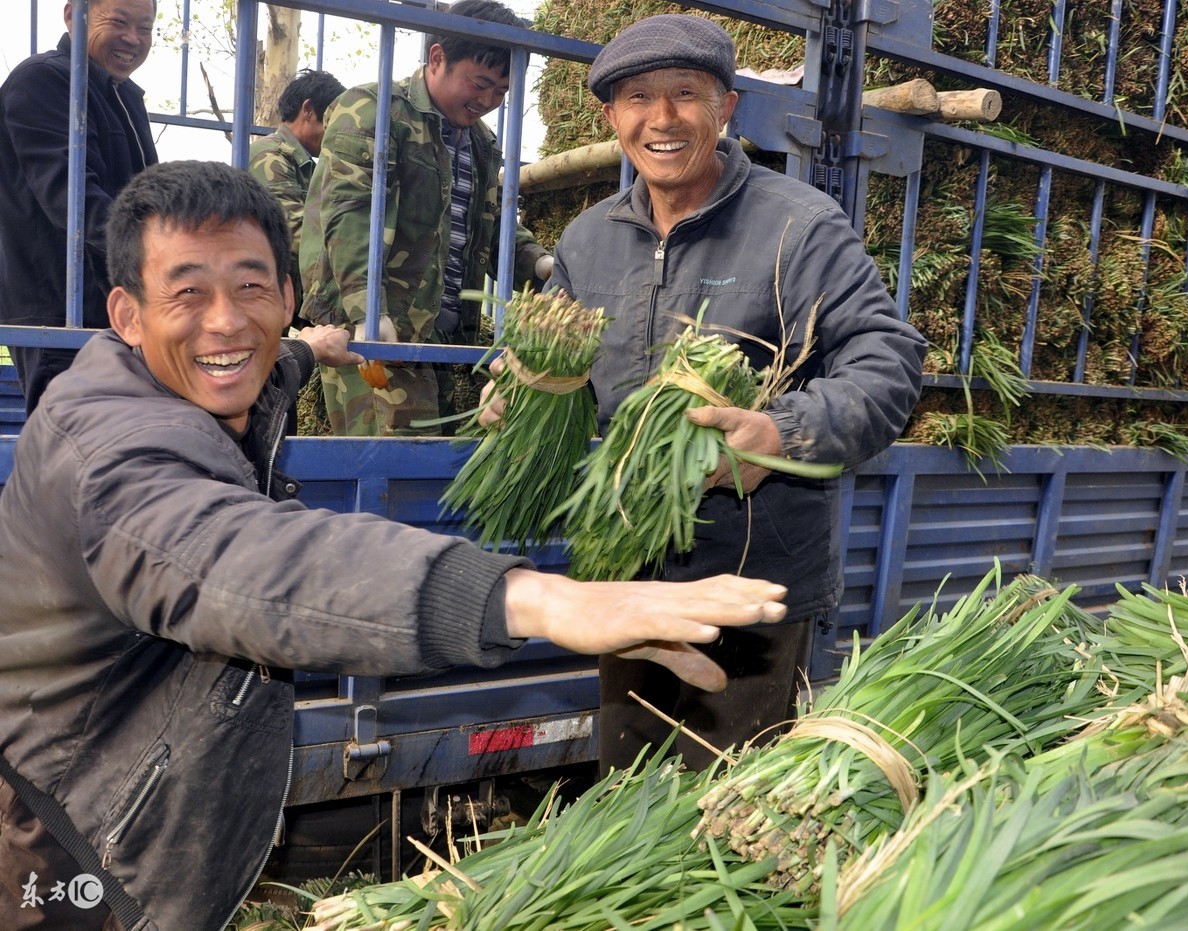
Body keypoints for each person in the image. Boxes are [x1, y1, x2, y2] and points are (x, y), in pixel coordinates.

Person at [0, 160, 789, 930]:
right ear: (127, 314)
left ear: (285, 294)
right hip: (70, 850)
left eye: (249, 287)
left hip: (112, 812)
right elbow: (241, 560)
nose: (225, 321)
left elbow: (257, 364)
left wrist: (312, 349)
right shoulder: (115, 454)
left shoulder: (183, 380)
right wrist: (535, 595)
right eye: (186, 293)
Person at [490, 14, 927, 774]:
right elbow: (551, 361)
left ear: (725, 109)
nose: (660, 119)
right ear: (611, 118)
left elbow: (889, 363)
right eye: (637, 99)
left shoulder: (799, 225)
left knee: (728, 811)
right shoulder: (587, 240)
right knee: (628, 792)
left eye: (685, 95)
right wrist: (521, 389)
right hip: (625, 575)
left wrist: (780, 432)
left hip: (752, 579)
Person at [299, 0, 554, 437]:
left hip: (443, 337)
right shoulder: (373, 110)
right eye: (480, 84)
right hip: (378, 333)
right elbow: (351, 212)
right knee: (392, 467)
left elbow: (490, 225)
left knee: (434, 464)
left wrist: (540, 264)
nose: (488, 101)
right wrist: (368, 306)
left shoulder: (481, 142)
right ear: (437, 58)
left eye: (501, 93)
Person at [0, 0, 158, 415]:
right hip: (61, 312)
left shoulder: (121, 95)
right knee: (71, 452)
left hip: (116, 307)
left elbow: (140, 199)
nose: (133, 39)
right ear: (74, 16)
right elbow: (73, 200)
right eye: (119, 22)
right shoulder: (46, 80)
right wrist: (163, 254)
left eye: (146, 27)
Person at [248, 68, 347, 322]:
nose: (336, 133)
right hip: (267, 303)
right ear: (308, 110)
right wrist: (351, 246)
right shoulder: (269, 157)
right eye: (333, 121)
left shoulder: (304, 165)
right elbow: (292, 230)